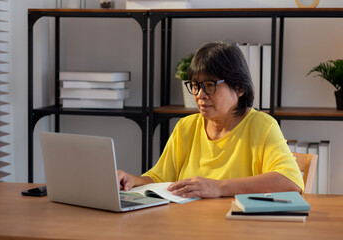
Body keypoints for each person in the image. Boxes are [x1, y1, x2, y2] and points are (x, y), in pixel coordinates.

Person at [118, 41, 304, 198]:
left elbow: (290, 181)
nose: (200, 95)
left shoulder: (262, 126)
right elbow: (160, 178)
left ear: (239, 88)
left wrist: (218, 187)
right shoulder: (186, 126)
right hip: (188, 226)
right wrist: (134, 180)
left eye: (210, 85)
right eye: (196, 86)